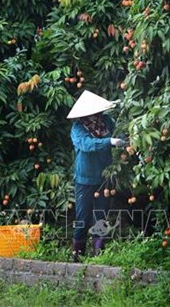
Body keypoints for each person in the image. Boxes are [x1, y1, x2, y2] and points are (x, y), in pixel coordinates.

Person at [67, 90, 126, 262]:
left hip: (104, 177)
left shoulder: (107, 121)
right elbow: (86, 145)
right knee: (82, 217)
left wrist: (124, 140)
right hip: (84, 178)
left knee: (101, 216)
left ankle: (99, 255)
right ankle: (76, 256)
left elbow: (118, 134)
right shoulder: (77, 128)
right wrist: (109, 142)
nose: (97, 114)